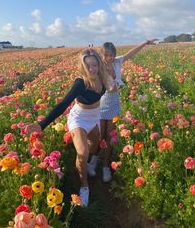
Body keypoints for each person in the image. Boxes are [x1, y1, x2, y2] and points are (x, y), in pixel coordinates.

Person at [24, 49, 112, 207]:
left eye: (94, 64)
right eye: (87, 66)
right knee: (83, 152)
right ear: (83, 67)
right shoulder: (80, 83)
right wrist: (41, 124)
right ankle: (84, 186)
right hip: (79, 118)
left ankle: (86, 165)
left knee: (94, 146)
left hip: (94, 117)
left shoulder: (104, 79)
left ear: (99, 64)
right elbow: (62, 104)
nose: (91, 69)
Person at [87, 40, 158, 182]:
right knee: (100, 135)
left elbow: (131, 53)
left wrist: (144, 43)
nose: (109, 57)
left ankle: (106, 167)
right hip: (101, 101)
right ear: (102, 55)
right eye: (106, 55)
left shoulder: (117, 62)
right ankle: (93, 161)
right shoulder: (98, 66)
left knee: (110, 136)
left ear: (114, 54)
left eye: (112, 54)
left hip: (113, 101)